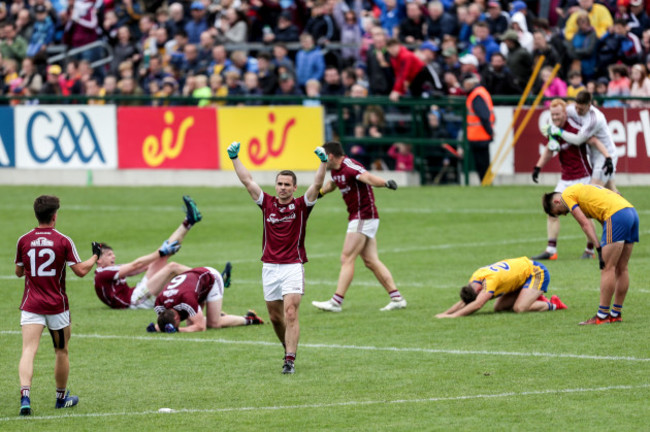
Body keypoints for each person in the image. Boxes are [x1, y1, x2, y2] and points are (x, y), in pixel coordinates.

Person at [228, 141, 327, 375]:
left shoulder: (302, 206)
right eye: (279, 184)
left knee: (290, 312)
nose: (282, 188)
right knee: (275, 317)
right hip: (270, 268)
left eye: (287, 185)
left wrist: (323, 163)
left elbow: (317, 184)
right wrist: (234, 158)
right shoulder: (267, 204)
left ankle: (289, 360)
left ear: (294, 188)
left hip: (292, 265)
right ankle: (287, 347)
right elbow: (248, 181)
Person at [15, 195, 100, 416]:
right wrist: (94, 257)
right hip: (56, 308)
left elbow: (18, 271)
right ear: (54, 216)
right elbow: (80, 271)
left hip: (31, 305)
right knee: (61, 350)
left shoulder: (24, 240)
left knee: (28, 350)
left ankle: (25, 396)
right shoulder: (63, 240)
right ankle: (61, 398)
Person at [311, 141, 405, 313]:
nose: (322, 160)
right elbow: (332, 184)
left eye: (324, 157)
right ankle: (397, 298)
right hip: (360, 217)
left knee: (347, 257)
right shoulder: (336, 171)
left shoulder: (350, 166)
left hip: (363, 216)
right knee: (371, 261)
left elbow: (368, 178)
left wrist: (385, 183)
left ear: (331, 156)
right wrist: (318, 194)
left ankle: (336, 302)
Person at [542, 184, 639, 325]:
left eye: (559, 212)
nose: (564, 214)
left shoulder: (566, 196)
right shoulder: (581, 190)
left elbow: (585, 224)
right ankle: (616, 314)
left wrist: (598, 248)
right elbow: (600, 216)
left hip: (616, 215)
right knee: (622, 268)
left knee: (607, 268)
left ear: (557, 202)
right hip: (630, 212)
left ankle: (602, 316)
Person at [532, 98, 614, 261]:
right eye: (552, 114)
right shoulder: (553, 128)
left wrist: (608, 157)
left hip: (582, 177)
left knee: (586, 215)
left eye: (558, 114)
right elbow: (551, 147)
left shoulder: (576, 128)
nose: (555, 117)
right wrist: (538, 166)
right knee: (552, 211)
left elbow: (593, 140)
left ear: (565, 113)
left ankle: (590, 250)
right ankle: (551, 250)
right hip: (565, 178)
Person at [94, 196, 203, 310]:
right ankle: (208, 277)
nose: (114, 256)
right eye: (109, 255)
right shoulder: (102, 273)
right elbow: (135, 265)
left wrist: (163, 254)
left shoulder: (109, 270)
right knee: (172, 267)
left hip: (137, 293)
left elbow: (139, 268)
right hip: (135, 301)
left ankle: (189, 221)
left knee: (163, 257)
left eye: (113, 253)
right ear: (99, 260)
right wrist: (160, 252)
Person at [435, 257, 567, 318]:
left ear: (479, 290)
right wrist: (446, 313)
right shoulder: (475, 279)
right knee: (499, 308)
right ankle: (532, 296)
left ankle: (553, 304)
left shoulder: (490, 282)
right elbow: (467, 301)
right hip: (519, 278)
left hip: (537, 272)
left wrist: (455, 316)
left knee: (519, 308)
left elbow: (478, 304)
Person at [542, 91, 618, 193]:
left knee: (593, 193)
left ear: (589, 106)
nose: (577, 111)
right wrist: (553, 138)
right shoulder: (572, 108)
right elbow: (556, 116)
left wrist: (559, 132)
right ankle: (626, 209)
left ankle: (624, 208)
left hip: (605, 156)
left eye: (581, 109)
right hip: (593, 154)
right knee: (611, 191)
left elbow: (578, 140)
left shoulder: (594, 120)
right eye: (576, 107)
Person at [149, 266, 264, 333]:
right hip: (194, 284)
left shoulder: (186, 301)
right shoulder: (159, 304)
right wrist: (157, 328)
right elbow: (162, 324)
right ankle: (220, 315)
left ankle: (250, 319)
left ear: (176, 317)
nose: (178, 325)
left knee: (213, 323)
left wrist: (178, 330)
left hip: (210, 279)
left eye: (177, 324)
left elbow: (201, 327)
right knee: (191, 322)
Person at [463, 74, 494, 182]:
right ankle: (485, 182)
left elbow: (484, 115)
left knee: (482, 163)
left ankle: (485, 182)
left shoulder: (476, 95)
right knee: (483, 162)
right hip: (480, 134)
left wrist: (490, 132)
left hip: (479, 135)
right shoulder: (480, 92)